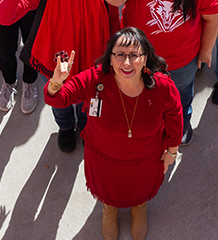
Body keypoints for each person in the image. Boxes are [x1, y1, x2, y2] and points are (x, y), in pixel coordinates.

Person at [0, 0, 119, 153]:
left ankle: (84, 126)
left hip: (93, 60)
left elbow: (113, 17)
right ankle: (65, 128)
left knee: (88, 102)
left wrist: (114, 54)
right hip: (53, 60)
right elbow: (2, 17)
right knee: (60, 104)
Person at [44, 28, 181, 240]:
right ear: (110, 58)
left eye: (134, 56)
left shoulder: (162, 86)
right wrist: (56, 82)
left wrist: (172, 152)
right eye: (120, 55)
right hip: (103, 159)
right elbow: (58, 98)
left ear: (145, 59)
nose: (126, 63)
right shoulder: (95, 79)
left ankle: (139, 207)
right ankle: (109, 208)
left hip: (146, 160)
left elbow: (175, 116)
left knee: (140, 191)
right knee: (109, 194)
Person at [103, 0, 218, 145]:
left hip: (182, 61)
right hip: (139, 60)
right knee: (142, 96)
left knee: (181, 97)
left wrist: (205, 51)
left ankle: (182, 126)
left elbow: (212, 18)